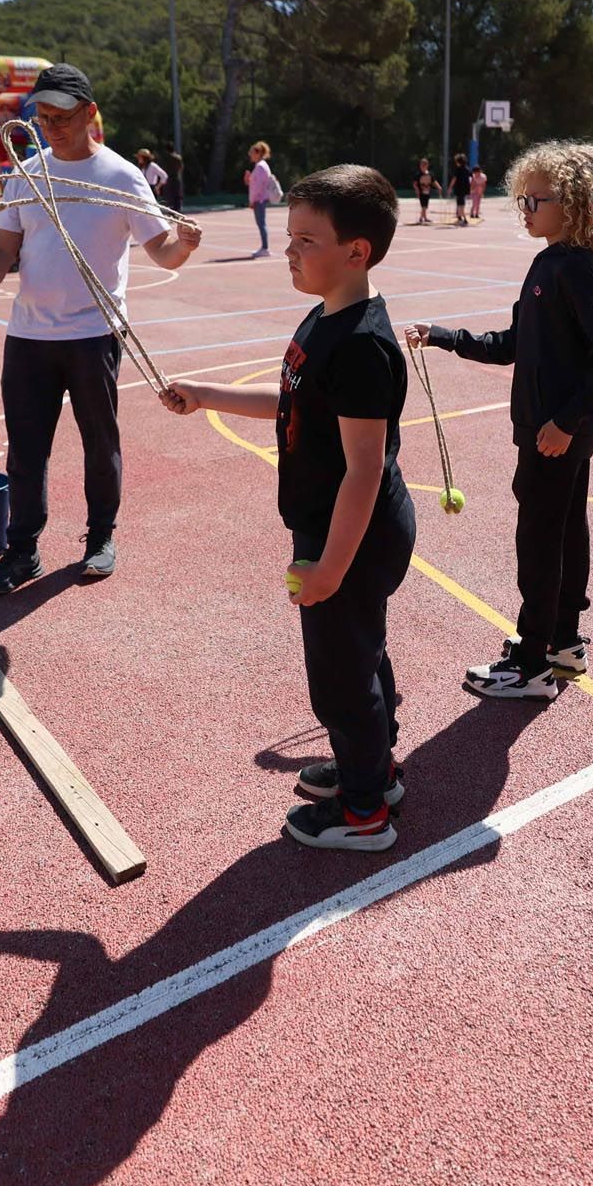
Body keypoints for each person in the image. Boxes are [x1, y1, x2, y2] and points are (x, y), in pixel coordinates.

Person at [158, 166, 412, 851]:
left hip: (348, 535)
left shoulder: (361, 342)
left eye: (306, 239)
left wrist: (330, 565)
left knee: (340, 678)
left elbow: (363, 468)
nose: (291, 251)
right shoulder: (326, 312)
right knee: (360, 654)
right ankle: (375, 766)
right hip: (334, 528)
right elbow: (296, 406)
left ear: (356, 251)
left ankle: (364, 813)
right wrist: (208, 394)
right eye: (291, 236)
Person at [0, 63, 203, 591]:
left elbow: (161, 251)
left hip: (94, 336)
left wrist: (182, 243)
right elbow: (4, 245)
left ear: (90, 113)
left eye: (62, 117)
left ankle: (99, 538)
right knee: (25, 449)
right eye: (43, 117)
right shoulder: (29, 172)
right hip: (28, 337)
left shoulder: (121, 176)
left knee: (100, 441)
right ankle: (22, 551)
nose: (51, 126)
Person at [407, 142, 593, 699]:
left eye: (536, 199)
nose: (525, 209)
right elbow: (514, 343)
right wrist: (447, 337)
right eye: (522, 199)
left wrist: (563, 421)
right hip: (556, 430)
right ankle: (562, 641)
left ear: (574, 203)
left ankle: (532, 664)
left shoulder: (570, 269)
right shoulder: (556, 264)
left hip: (555, 433)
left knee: (538, 540)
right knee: (563, 530)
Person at [246, 140, 281, 257]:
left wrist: (252, 200)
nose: (250, 154)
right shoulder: (260, 166)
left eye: (251, 152)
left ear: (257, 153)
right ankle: (264, 248)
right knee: (261, 223)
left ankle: (265, 248)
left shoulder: (260, 167)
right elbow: (256, 184)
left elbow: (258, 187)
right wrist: (249, 179)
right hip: (259, 199)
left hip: (259, 199)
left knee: (261, 224)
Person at [449, 153, 472, 226]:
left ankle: (464, 218)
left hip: (459, 189)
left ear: (458, 162)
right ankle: (459, 217)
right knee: (461, 203)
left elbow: (454, 179)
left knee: (460, 204)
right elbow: (471, 178)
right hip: (465, 189)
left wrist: (450, 187)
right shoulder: (467, 169)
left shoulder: (458, 169)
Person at [411, 158, 435, 224]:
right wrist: (417, 190)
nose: (423, 166)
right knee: (423, 205)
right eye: (422, 165)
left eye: (425, 165)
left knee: (425, 205)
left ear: (427, 165)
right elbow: (415, 184)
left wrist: (438, 187)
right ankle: (422, 218)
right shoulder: (418, 174)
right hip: (421, 192)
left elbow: (433, 181)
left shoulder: (430, 174)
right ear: (420, 166)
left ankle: (423, 217)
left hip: (428, 192)